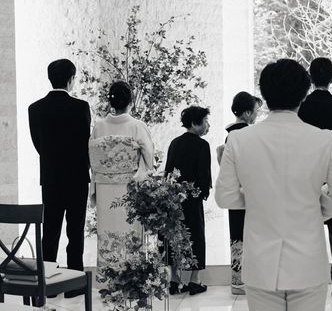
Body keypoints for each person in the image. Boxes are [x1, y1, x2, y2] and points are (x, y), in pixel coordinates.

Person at [216, 59, 332, 311]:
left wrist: (259, 197)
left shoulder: (238, 140)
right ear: (304, 95)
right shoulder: (324, 139)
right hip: (308, 261)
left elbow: (224, 197)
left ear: (265, 96)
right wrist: (316, 202)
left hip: (260, 263)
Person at [28, 59, 90, 298]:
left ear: (49, 78)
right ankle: (74, 284)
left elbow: (38, 145)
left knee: (50, 231)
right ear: (71, 79)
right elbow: (85, 142)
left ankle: (48, 284)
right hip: (76, 178)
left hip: (51, 178)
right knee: (75, 231)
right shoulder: (81, 107)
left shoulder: (35, 108)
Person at [298, 57, 332, 298]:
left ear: (310, 78)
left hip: (306, 172)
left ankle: (308, 283)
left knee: (304, 230)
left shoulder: (301, 107)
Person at [88, 81, 154, 283]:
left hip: (105, 189)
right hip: (129, 188)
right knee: (129, 229)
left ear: (111, 102)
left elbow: (93, 160)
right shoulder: (137, 126)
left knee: (108, 231)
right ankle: (132, 279)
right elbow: (149, 159)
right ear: (130, 101)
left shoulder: (99, 127)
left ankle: (109, 280)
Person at [164, 106, 212, 296]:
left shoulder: (174, 142)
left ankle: (174, 281)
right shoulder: (202, 145)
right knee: (195, 237)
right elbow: (204, 176)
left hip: (172, 199)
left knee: (174, 237)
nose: (208, 125)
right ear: (194, 123)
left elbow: (168, 172)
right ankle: (194, 280)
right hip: (192, 199)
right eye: (206, 121)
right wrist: (203, 193)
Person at [219, 91, 263, 295]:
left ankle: (237, 281)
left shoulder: (230, 136)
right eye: (255, 111)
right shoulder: (249, 135)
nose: (256, 115)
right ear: (246, 113)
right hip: (251, 192)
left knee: (237, 236)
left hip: (234, 192)